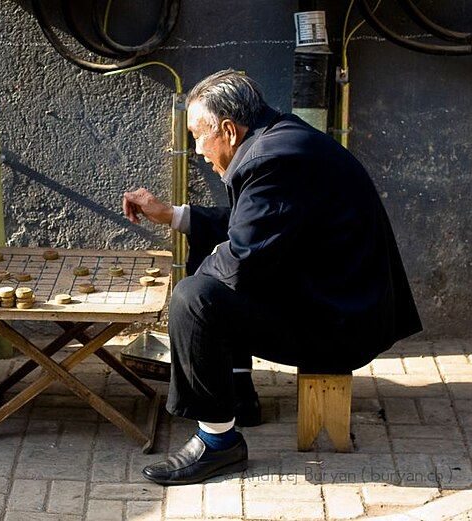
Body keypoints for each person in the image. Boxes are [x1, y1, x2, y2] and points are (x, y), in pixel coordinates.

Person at [122, 70, 422, 485]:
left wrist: (184, 317)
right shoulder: (278, 138)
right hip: (335, 299)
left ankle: (218, 442)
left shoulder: (272, 160)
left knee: (195, 297)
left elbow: (243, 259)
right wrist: (173, 216)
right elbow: (259, 224)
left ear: (228, 130)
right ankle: (236, 393)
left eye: (197, 136)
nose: (196, 150)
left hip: (341, 324)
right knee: (208, 280)